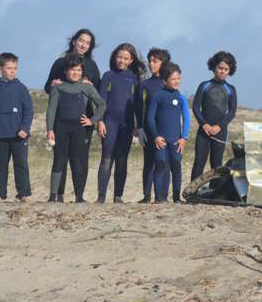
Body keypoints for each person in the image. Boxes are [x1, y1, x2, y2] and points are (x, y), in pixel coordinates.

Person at [44, 29, 101, 200]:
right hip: (62, 119)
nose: (83, 44)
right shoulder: (60, 63)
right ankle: (58, 195)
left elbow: (98, 93)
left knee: (80, 159)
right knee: (60, 158)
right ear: (74, 41)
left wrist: (94, 120)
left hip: (83, 120)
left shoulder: (91, 65)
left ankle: (79, 196)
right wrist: (54, 83)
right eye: (81, 40)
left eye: (87, 42)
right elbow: (48, 87)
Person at [0, 52, 33, 201]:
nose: (13, 71)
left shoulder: (21, 88)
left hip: (19, 135)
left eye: (15, 68)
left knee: (21, 164)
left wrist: (25, 128)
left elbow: (29, 110)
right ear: (0, 69)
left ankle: (24, 193)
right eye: (9, 68)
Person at [95, 43, 145, 203]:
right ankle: (101, 196)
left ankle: (118, 196)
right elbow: (101, 100)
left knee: (122, 159)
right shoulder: (108, 75)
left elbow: (137, 104)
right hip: (109, 122)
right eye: (119, 57)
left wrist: (138, 125)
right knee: (107, 158)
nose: (121, 61)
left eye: (125, 58)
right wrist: (100, 121)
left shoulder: (134, 79)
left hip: (127, 124)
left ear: (131, 61)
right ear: (114, 57)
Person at [190, 51, 238, 181]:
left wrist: (219, 126)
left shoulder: (230, 89)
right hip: (203, 131)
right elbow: (195, 107)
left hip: (220, 131)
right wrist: (204, 124)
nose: (223, 71)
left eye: (226, 69)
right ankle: (192, 193)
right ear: (214, 67)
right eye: (220, 68)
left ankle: (214, 192)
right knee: (199, 161)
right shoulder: (204, 85)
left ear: (230, 70)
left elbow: (232, 112)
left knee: (216, 164)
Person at [147, 62, 190, 203]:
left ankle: (176, 197)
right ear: (164, 81)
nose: (177, 81)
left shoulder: (181, 98)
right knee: (160, 165)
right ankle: (159, 198)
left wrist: (184, 137)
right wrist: (155, 136)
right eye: (173, 79)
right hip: (161, 140)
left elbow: (187, 119)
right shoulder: (158, 96)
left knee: (176, 167)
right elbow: (150, 118)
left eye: (178, 78)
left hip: (176, 141)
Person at [139, 47, 171, 203]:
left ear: (163, 63)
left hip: (166, 129)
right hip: (149, 129)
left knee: (164, 162)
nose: (151, 64)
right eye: (150, 61)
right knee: (149, 162)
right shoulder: (144, 84)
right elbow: (139, 108)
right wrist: (139, 128)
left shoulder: (169, 84)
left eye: (155, 61)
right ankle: (146, 196)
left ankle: (163, 196)